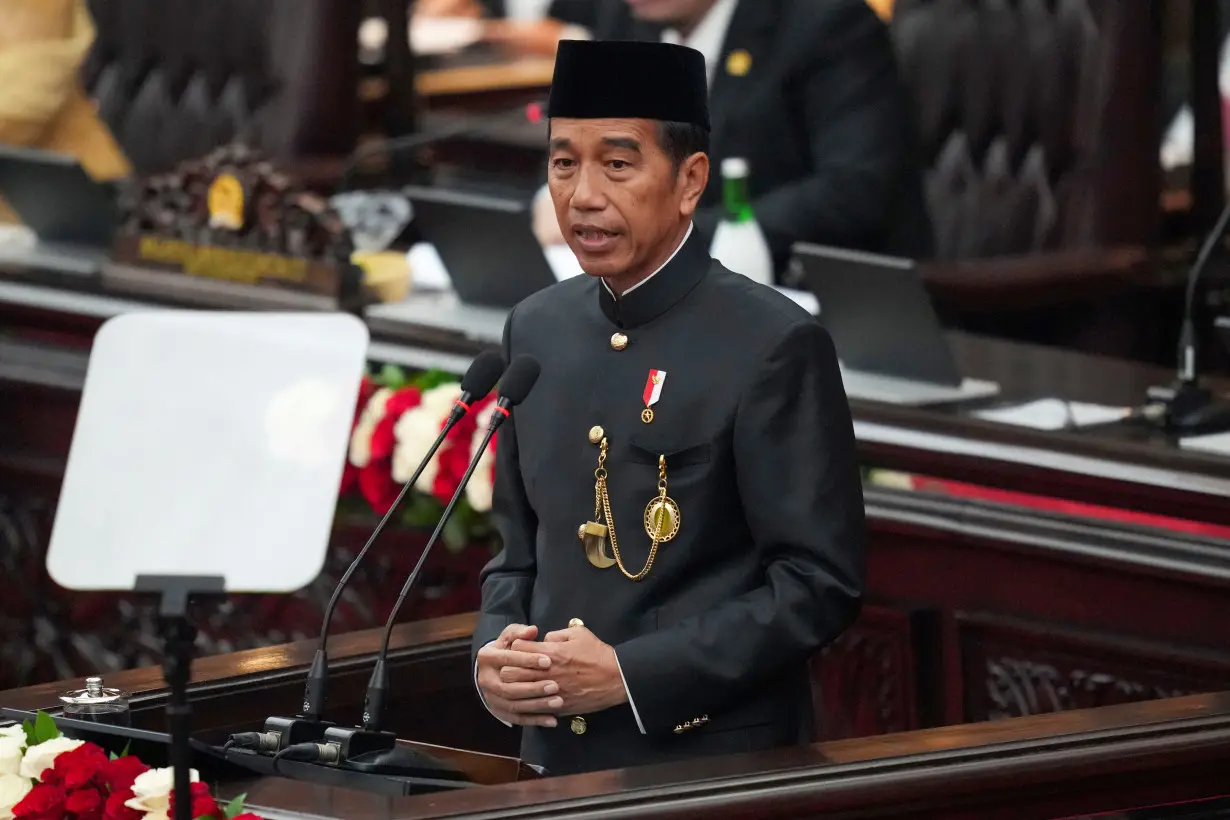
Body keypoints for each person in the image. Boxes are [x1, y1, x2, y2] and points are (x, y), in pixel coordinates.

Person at [471, 39, 866, 777]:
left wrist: (632, 674)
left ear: (689, 181)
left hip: (705, 765)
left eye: (617, 165)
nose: (583, 194)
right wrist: (494, 651)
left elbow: (817, 583)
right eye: (563, 163)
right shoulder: (537, 328)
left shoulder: (772, 343)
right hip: (552, 758)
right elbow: (516, 551)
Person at [530, 0, 934, 281]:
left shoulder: (828, 24)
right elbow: (582, 136)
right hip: (663, 294)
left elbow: (854, 189)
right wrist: (554, 199)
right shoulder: (627, 18)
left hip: (817, 293)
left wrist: (670, 238)